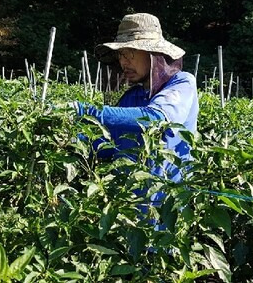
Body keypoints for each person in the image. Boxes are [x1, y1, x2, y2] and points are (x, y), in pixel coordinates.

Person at [72, 12, 198, 215]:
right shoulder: (133, 97)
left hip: (166, 208)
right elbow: (108, 145)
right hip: (128, 209)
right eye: (121, 54)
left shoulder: (182, 83)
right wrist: (71, 140)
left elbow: (156, 119)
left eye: (129, 52)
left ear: (152, 54)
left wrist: (88, 112)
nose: (123, 62)